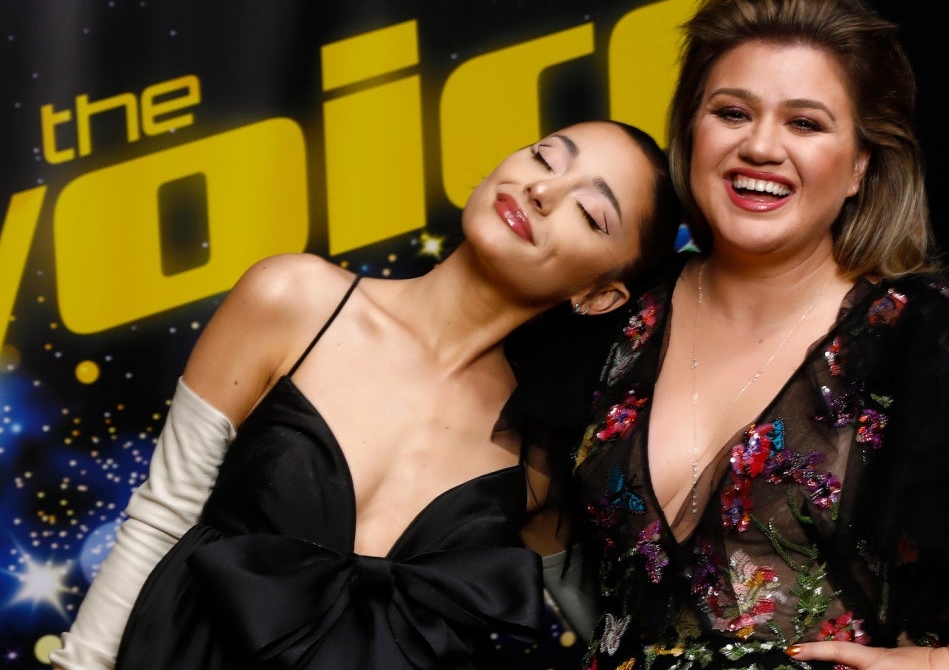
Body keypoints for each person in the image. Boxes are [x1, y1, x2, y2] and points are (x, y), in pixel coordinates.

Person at [569, 0, 949, 670]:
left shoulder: (920, 336)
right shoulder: (619, 314)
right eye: (732, 112)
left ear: (859, 166)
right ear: (691, 131)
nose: (760, 147)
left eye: (804, 123)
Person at [49, 119, 682, 670]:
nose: (541, 191)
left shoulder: (538, 453)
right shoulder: (294, 300)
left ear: (600, 296)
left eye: (589, 212)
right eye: (544, 157)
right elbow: (160, 518)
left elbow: (622, 629)